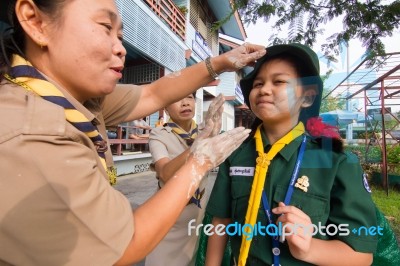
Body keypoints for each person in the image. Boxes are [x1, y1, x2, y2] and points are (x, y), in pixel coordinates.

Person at [0, 0, 266, 265]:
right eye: (105, 27)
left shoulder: (77, 98)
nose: (120, 49)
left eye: (121, 36)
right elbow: (126, 243)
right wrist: (199, 161)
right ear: (35, 21)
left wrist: (219, 63)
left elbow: (154, 93)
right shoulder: (31, 133)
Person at [205, 43, 378, 266]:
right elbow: (221, 222)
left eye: (279, 81)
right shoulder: (236, 154)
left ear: (307, 97)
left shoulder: (333, 161)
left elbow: (362, 256)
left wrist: (309, 249)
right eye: (258, 83)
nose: (264, 89)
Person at [146, 92, 224, 266]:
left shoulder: (206, 131)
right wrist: (195, 147)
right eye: (175, 99)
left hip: (197, 217)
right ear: (165, 108)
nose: (184, 103)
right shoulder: (159, 134)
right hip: (169, 219)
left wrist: (209, 135)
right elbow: (165, 173)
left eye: (189, 97)